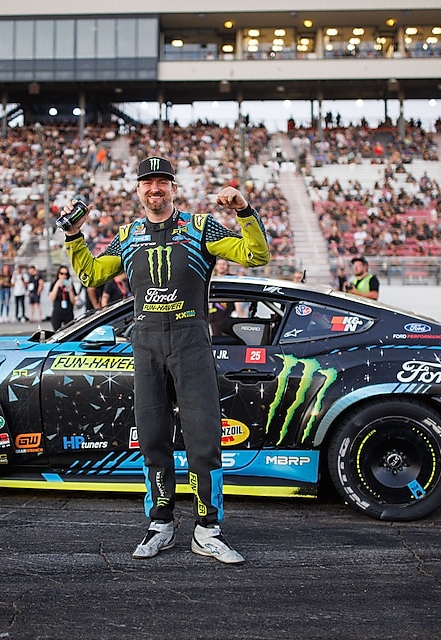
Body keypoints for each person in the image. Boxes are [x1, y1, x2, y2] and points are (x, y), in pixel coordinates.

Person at [62, 155, 270, 564]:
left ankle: (208, 529)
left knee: (203, 441)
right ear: (138, 190)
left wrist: (244, 210)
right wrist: (74, 237)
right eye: (147, 182)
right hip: (147, 345)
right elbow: (90, 276)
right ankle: (161, 523)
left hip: (191, 343)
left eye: (162, 181)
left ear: (173, 187)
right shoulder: (128, 234)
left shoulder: (199, 227)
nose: (154, 188)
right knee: (153, 439)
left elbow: (256, 255)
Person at [48, 265, 77, 330]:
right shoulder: (54, 284)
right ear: (58, 274)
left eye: (66, 274)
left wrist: (70, 290)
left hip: (68, 313)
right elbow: (52, 299)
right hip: (57, 312)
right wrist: (57, 285)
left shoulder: (70, 284)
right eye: (61, 273)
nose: (63, 276)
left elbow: (73, 301)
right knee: (56, 332)